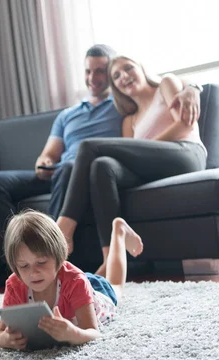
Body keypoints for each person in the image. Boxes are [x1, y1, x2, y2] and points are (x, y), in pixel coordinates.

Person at [0, 44, 200, 270]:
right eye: (89, 71)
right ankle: (105, 260)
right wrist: (44, 163)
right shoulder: (118, 116)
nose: (94, 77)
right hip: (61, 170)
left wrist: (192, 87)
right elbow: (50, 154)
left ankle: (58, 235)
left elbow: (181, 108)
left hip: (79, 167)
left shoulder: (120, 105)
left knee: (84, 155)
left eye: (102, 71)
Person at [56, 55, 208, 276]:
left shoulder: (165, 84)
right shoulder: (130, 120)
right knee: (102, 165)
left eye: (128, 68)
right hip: (154, 169)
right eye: (116, 76)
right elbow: (130, 161)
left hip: (187, 154)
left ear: (142, 68)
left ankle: (63, 229)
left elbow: (185, 125)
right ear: (115, 87)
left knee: (89, 147)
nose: (124, 76)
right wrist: (141, 151)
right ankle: (111, 258)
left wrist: (145, 147)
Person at [0, 210, 143, 349]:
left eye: (41, 262)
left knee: (116, 285)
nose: (33, 273)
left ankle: (119, 231)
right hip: (73, 285)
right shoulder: (15, 285)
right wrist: (5, 340)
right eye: (24, 266)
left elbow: (93, 333)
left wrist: (73, 334)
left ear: (59, 257)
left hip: (94, 290)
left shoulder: (75, 281)